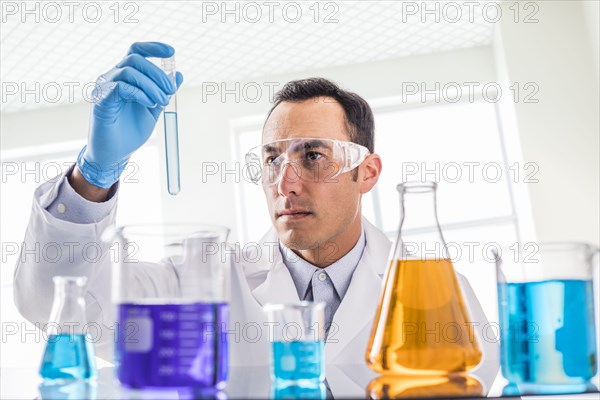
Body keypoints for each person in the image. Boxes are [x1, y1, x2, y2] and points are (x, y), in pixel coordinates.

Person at [13, 42, 495, 376]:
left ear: (366, 173)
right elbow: (61, 308)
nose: (284, 183)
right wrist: (94, 173)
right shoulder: (202, 284)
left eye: (312, 156)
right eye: (271, 159)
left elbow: (473, 382)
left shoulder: (435, 292)